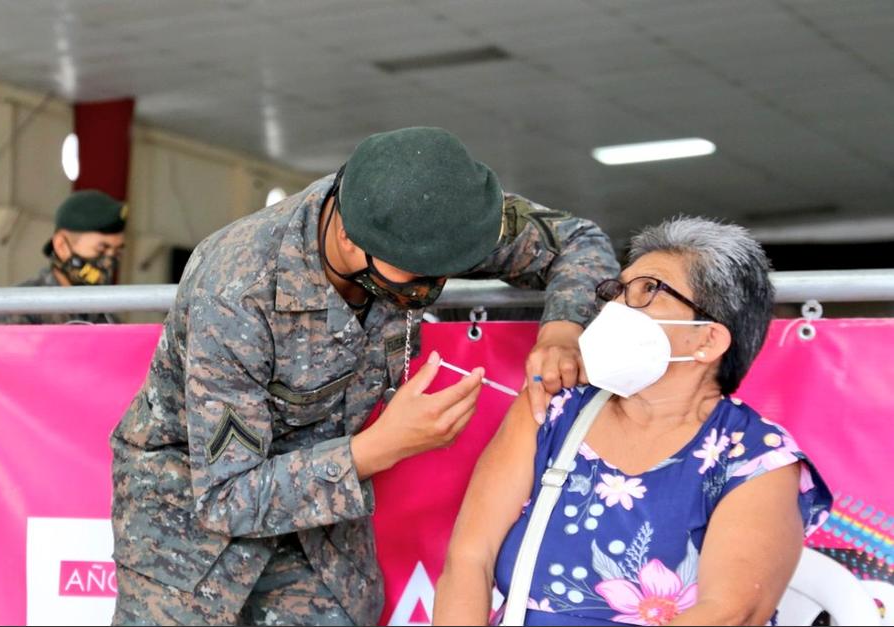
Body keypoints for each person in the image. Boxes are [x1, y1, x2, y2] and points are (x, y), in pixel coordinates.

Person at [109, 127, 620, 626]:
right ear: (351, 238)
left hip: (321, 536)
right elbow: (227, 498)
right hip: (188, 541)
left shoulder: (435, 217)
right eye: (419, 274)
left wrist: (562, 329)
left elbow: (577, 240)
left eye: (448, 269)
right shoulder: (238, 290)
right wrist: (384, 446)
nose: (436, 284)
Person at [434, 216, 832, 626]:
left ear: (707, 339)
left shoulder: (755, 458)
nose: (616, 306)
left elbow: (729, 612)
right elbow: (469, 560)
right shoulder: (553, 409)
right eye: (618, 290)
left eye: (648, 290)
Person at [0, 189, 127, 325]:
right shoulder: (17, 308)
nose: (109, 262)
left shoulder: (108, 320)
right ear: (61, 246)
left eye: (116, 253)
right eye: (101, 249)